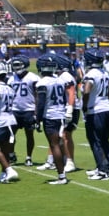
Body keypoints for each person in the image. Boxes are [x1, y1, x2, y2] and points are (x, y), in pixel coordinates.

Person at [36, 54, 75, 186]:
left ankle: (61, 175)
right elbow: (64, 98)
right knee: (59, 142)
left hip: (51, 116)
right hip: (61, 114)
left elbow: (41, 103)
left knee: (54, 145)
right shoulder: (59, 80)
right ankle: (63, 168)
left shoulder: (42, 82)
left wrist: (37, 119)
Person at [81, 50, 109, 181]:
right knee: (104, 141)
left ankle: (102, 171)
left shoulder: (91, 74)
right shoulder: (104, 73)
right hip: (107, 109)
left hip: (95, 111)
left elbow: (86, 91)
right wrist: (105, 100)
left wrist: (85, 106)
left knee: (95, 141)